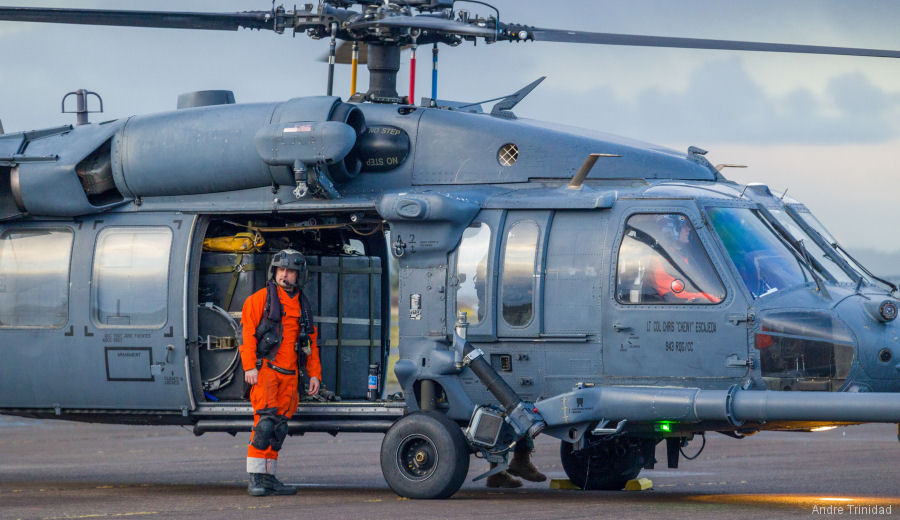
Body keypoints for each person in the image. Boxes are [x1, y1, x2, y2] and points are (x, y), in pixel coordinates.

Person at [239, 248, 321, 496]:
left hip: (290, 375)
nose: (285, 275)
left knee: (278, 429)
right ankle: (255, 479)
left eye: (291, 271)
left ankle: (269, 478)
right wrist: (250, 366)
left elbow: (310, 344)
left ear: (299, 275)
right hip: (266, 372)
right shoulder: (258, 300)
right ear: (274, 271)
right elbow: (247, 336)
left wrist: (314, 374)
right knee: (264, 424)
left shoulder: (302, 307)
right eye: (281, 270)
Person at [648, 215, 722, 304]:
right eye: (683, 226)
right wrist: (713, 299)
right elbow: (674, 296)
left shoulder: (687, 254)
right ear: (672, 229)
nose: (688, 229)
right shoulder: (660, 259)